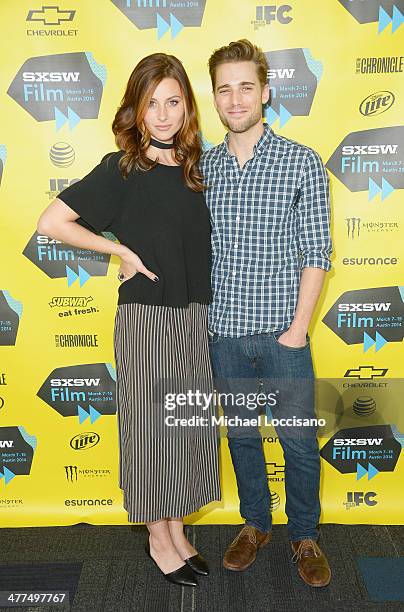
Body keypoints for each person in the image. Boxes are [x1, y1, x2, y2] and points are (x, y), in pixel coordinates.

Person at [37, 53, 221, 588]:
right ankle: (157, 539)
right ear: (135, 110)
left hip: (196, 316)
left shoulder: (195, 168)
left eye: (173, 101)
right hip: (148, 320)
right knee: (151, 435)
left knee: (189, 430)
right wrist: (119, 251)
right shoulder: (123, 168)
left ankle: (179, 529)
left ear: (186, 106)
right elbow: (53, 221)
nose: (163, 115)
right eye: (151, 104)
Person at [200, 39, 332, 587]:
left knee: (298, 441)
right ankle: (256, 524)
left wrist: (298, 331)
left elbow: (316, 251)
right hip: (224, 336)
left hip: (284, 336)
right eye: (225, 89)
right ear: (215, 97)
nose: (235, 99)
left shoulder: (301, 162)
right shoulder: (202, 169)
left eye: (245, 87)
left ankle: (304, 534)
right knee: (243, 439)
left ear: (266, 92)